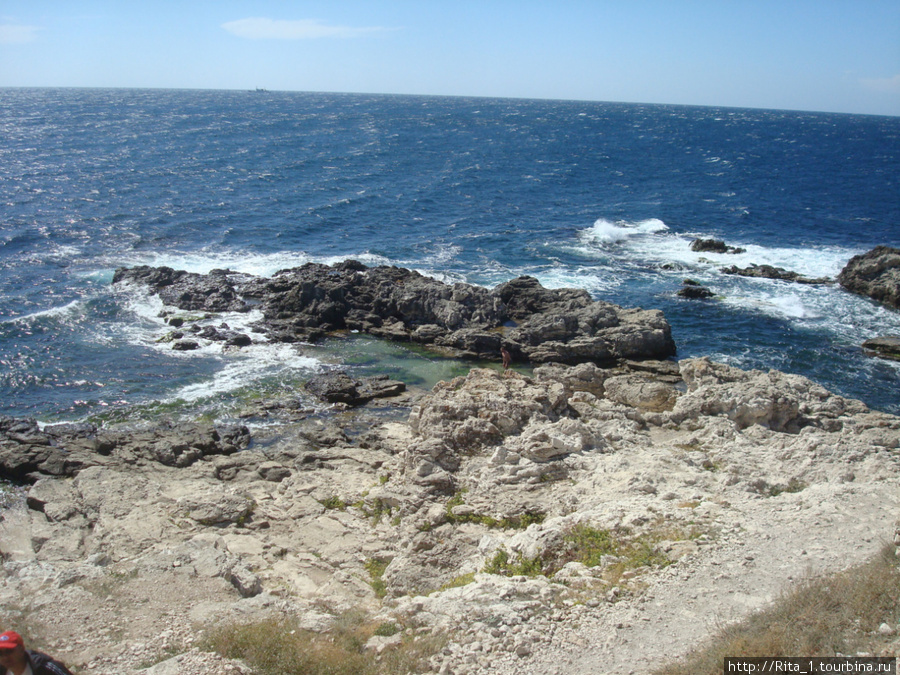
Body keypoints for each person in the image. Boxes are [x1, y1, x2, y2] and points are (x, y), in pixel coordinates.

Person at [0, 631, 74, 675]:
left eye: (9, 651)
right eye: (0, 653)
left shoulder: (46, 668)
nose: (5, 657)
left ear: (21, 649)